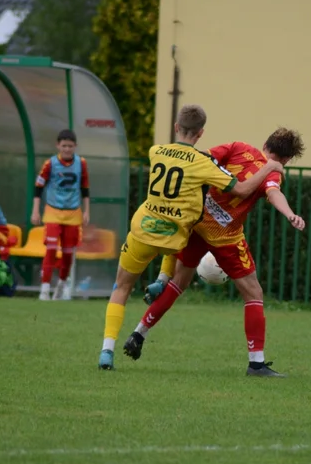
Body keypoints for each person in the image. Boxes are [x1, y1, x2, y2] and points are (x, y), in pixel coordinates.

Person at [98, 104, 284, 371]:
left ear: (176, 127)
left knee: (122, 288)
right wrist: (270, 168)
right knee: (185, 250)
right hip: (176, 235)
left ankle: (107, 350)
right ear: (200, 133)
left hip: (143, 229)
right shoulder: (202, 163)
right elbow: (241, 189)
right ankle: (256, 363)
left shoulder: (155, 151)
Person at [126, 129, 306, 377]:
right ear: (286, 160)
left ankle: (138, 333)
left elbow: (203, 159)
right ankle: (256, 364)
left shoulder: (238, 147)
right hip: (226, 237)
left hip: (198, 222)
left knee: (179, 282)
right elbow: (274, 193)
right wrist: (290, 214)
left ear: (265, 143)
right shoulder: (273, 172)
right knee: (253, 292)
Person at [32, 129, 90, 301]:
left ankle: (61, 286)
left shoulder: (81, 163)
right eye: (64, 146)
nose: (66, 149)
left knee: (67, 254)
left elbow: (85, 188)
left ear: (75, 147)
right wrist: (35, 210)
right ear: (58, 145)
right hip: (53, 212)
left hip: (73, 214)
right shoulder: (50, 164)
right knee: (50, 250)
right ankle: (44, 289)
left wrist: (87, 211)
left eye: (70, 146)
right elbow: (38, 187)